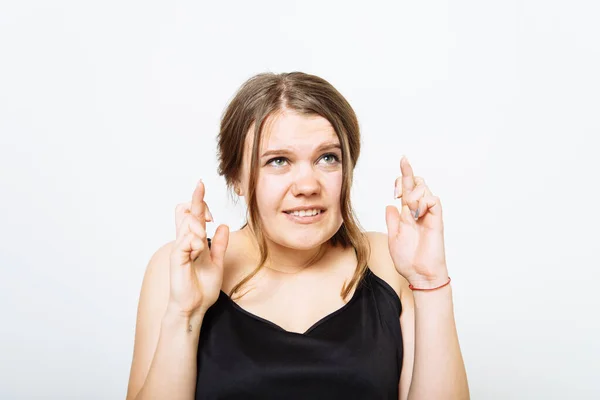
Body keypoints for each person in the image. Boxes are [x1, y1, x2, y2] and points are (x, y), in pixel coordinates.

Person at [126, 72, 469, 399]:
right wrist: (185, 314)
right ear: (236, 178)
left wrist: (429, 281)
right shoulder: (180, 268)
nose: (307, 186)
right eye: (278, 161)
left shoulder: (391, 264)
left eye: (327, 158)